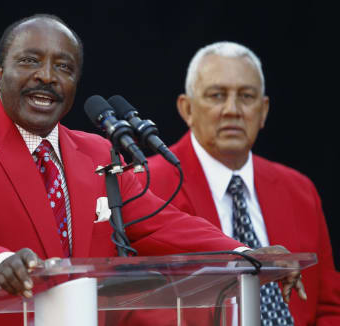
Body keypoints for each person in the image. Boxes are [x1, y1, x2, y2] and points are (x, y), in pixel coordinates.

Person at [0, 16, 304, 326]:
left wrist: (246, 254)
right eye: (30, 60)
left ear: (76, 83)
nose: (47, 76)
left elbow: (160, 223)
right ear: (0, 75)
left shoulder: (97, 151)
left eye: (63, 67)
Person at [143, 41, 340, 325]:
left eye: (246, 96)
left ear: (263, 111)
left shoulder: (299, 190)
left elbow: (329, 307)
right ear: (186, 108)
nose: (232, 109)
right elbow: (136, 306)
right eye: (216, 95)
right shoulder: (146, 184)